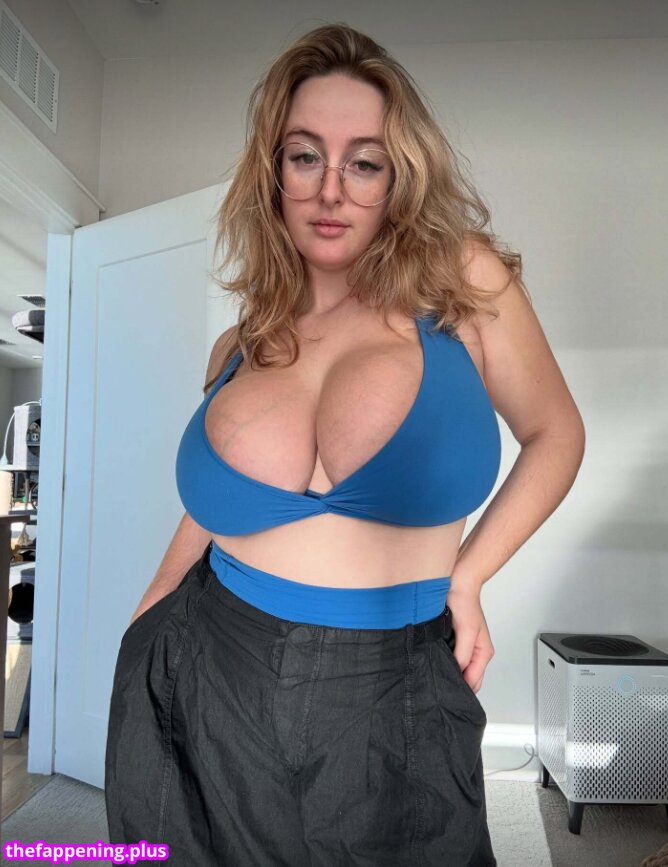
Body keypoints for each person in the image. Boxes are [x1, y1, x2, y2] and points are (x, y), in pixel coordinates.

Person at [105, 22, 586, 867]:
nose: (331, 190)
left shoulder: (463, 285)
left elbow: (557, 434)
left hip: (396, 681)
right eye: (305, 156)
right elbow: (217, 505)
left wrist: (468, 575)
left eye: (364, 162)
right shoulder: (241, 344)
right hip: (209, 663)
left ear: (400, 177)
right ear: (273, 173)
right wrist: (151, 603)